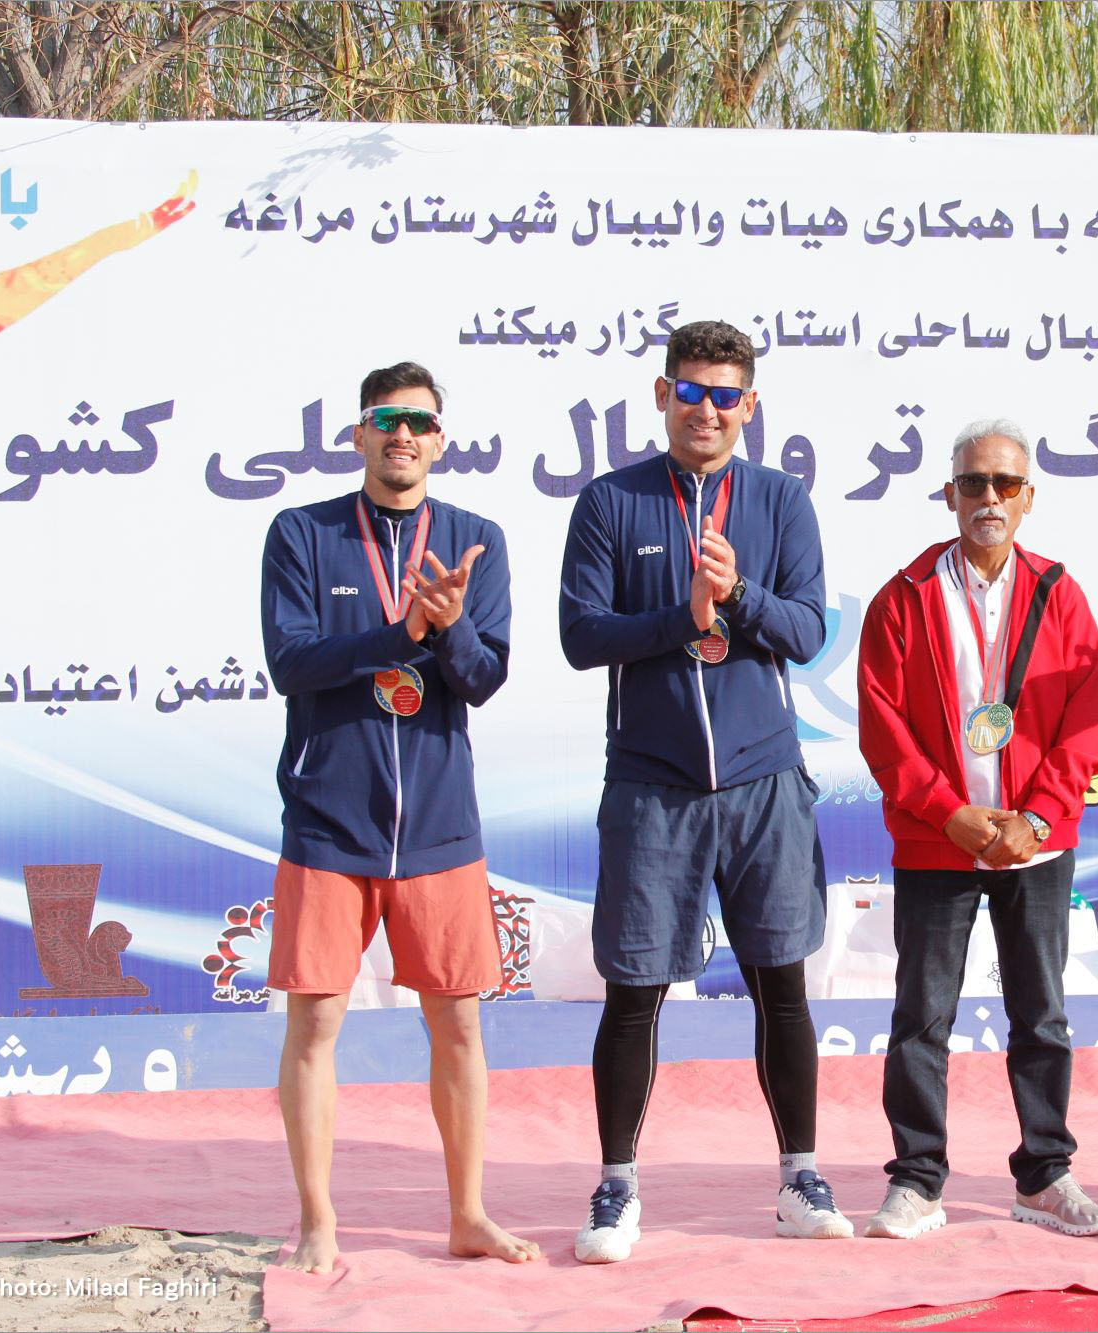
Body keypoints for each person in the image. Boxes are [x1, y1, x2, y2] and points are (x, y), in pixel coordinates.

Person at [558, 319, 850, 1263]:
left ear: (750, 405)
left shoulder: (781, 499)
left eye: (726, 396)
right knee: (634, 990)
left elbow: (806, 631)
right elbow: (580, 635)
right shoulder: (612, 501)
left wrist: (741, 598)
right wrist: (678, 618)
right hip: (653, 781)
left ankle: (801, 1176)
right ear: (663, 395)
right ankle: (616, 1184)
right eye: (691, 391)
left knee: (781, 985)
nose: (708, 410)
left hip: (764, 779)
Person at [260, 361, 536, 1273]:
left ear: (440, 441)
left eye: (419, 422)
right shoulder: (301, 533)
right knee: (315, 1025)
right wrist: (402, 634)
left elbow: (484, 678)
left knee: (458, 1026)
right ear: (359, 436)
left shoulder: (476, 539)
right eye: (386, 420)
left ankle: (467, 1214)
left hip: (438, 828)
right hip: (329, 822)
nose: (402, 436)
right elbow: (292, 663)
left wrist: (448, 627)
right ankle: (318, 1220)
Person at [855, 419, 1098, 1240]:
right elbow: (883, 730)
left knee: (1042, 1015)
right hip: (938, 841)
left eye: (1005, 483)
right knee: (920, 1017)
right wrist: (952, 813)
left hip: (1036, 843)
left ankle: (1045, 1174)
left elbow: (1087, 722)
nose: (989, 498)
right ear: (949, 494)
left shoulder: (1060, 593)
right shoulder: (903, 597)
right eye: (974, 483)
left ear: (1029, 496)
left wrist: (1035, 816)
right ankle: (916, 1180)